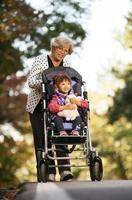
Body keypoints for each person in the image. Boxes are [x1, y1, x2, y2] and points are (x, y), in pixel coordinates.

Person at [26, 35, 74, 182]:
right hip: (39, 104)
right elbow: (31, 81)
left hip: (59, 104)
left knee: (60, 133)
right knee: (42, 140)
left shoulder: (67, 62)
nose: (62, 52)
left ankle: (65, 170)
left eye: (66, 50)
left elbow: (70, 81)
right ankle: (48, 171)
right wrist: (46, 82)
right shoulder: (41, 59)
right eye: (60, 49)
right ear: (54, 47)